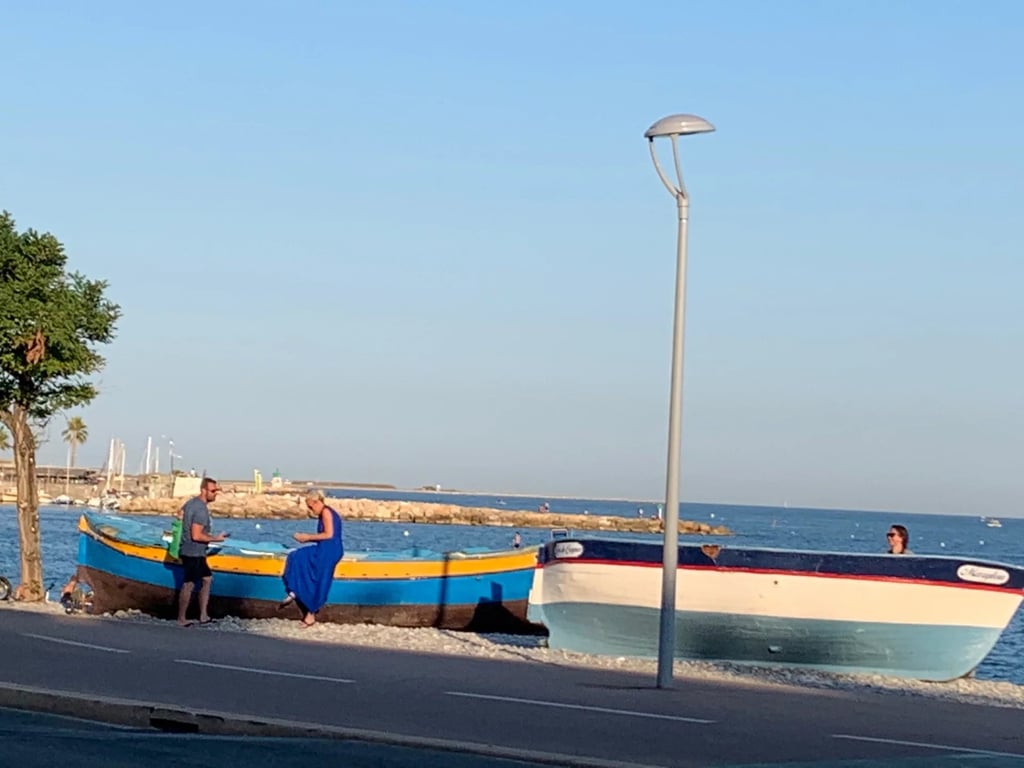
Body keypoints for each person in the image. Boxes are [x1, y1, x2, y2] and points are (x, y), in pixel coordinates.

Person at [279, 489, 344, 628]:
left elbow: (329, 534)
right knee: (297, 557)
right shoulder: (325, 513)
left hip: (329, 550)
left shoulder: (326, 512)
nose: (310, 510)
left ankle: (308, 610)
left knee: (316, 576)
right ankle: (296, 591)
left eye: (310, 506)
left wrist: (307, 537)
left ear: (316, 502)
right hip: (325, 548)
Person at [177, 477, 229, 627]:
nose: (215, 493)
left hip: (194, 551)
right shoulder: (201, 510)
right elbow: (196, 535)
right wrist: (216, 539)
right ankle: (181, 618)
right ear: (203, 490)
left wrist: (184, 525)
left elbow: (179, 514)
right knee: (189, 584)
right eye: (213, 491)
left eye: (216, 490)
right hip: (193, 552)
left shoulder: (191, 503)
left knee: (207, 579)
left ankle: (203, 615)